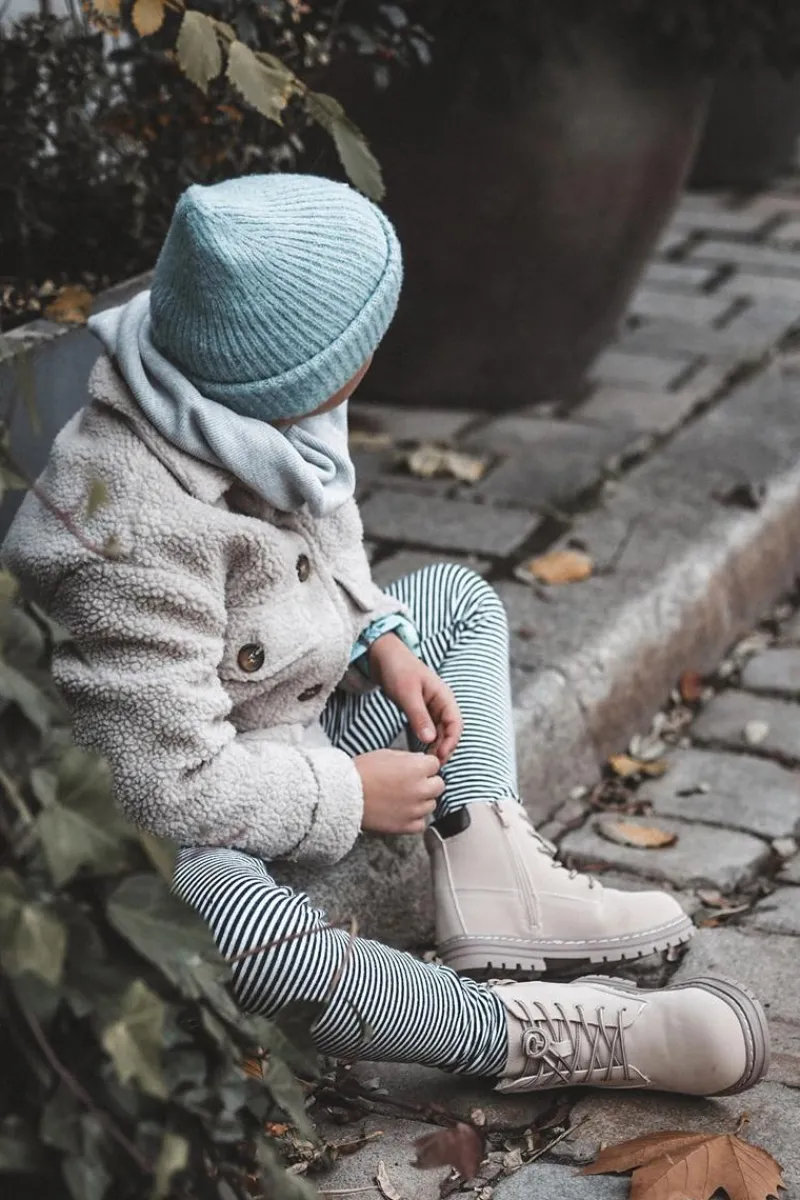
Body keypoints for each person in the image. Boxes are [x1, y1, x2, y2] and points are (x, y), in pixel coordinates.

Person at [3, 174, 769, 1097]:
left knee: (455, 601)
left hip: (284, 726)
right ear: (295, 375)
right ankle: (518, 1034)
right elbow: (159, 789)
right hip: (187, 820)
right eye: (364, 343)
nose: (376, 354)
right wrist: (350, 794)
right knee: (237, 929)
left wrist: (378, 638)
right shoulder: (129, 529)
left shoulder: (248, 404)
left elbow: (326, 531)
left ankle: (498, 888)